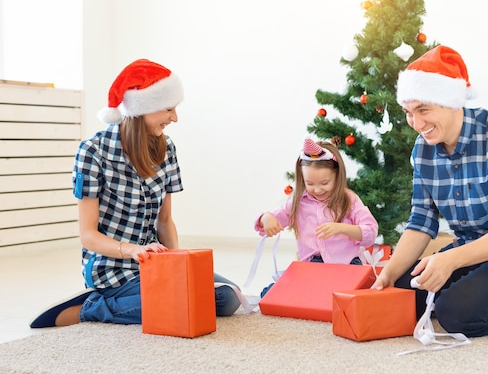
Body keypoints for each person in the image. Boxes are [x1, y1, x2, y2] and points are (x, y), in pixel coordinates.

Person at [30, 59, 241, 328]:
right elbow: (88, 235)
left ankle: (162, 297)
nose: (175, 117)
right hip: (112, 270)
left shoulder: (167, 149)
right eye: (168, 108)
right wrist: (133, 251)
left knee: (226, 296)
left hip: (154, 264)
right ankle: (93, 307)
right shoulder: (93, 152)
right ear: (143, 109)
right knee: (184, 302)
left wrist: (178, 267)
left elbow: (164, 221)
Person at [371, 45, 488, 338]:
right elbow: (421, 223)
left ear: (452, 102)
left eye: (424, 110)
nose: (417, 124)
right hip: (472, 249)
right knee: (401, 293)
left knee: (455, 314)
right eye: (409, 113)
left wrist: (449, 260)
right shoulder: (423, 150)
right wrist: (389, 273)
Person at [254, 138, 379, 296]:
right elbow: (272, 218)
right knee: (271, 294)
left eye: (324, 183)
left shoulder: (349, 199)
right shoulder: (298, 201)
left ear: (337, 176)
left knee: (349, 297)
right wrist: (266, 219)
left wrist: (341, 228)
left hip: (347, 265)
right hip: (312, 266)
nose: (318, 189)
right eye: (310, 184)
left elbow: (370, 232)